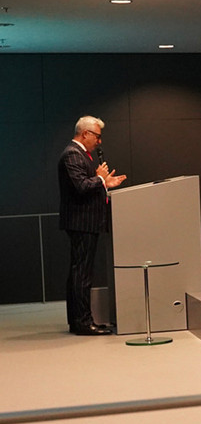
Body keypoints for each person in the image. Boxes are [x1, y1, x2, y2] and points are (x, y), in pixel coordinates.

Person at [57, 116, 127, 334]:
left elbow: (89, 185)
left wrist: (105, 183)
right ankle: (83, 322)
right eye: (97, 136)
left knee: (80, 272)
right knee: (82, 274)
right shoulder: (72, 154)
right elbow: (80, 186)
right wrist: (99, 179)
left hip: (85, 221)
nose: (99, 142)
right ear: (85, 133)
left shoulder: (79, 154)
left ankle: (78, 320)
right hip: (82, 222)